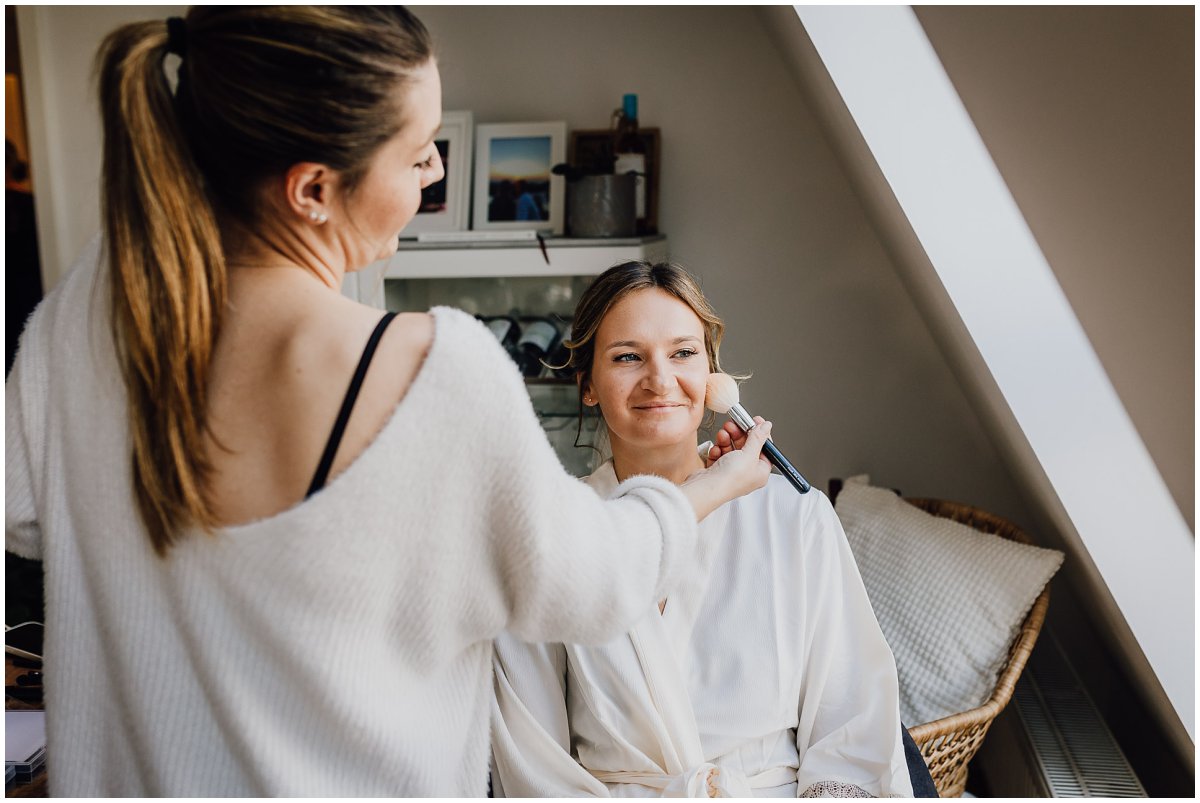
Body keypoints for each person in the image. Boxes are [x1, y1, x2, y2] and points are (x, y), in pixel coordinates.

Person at [3, 9, 773, 797]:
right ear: (312, 190)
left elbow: (20, 513)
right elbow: (591, 581)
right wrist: (712, 486)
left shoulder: (89, 312)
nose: (436, 173)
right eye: (416, 155)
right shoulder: (434, 374)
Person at [491, 261, 929, 797]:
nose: (660, 379)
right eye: (627, 357)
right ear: (587, 384)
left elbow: (851, 722)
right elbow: (533, 754)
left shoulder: (793, 516)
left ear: (711, 378)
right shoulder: (550, 536)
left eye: (683, 353)